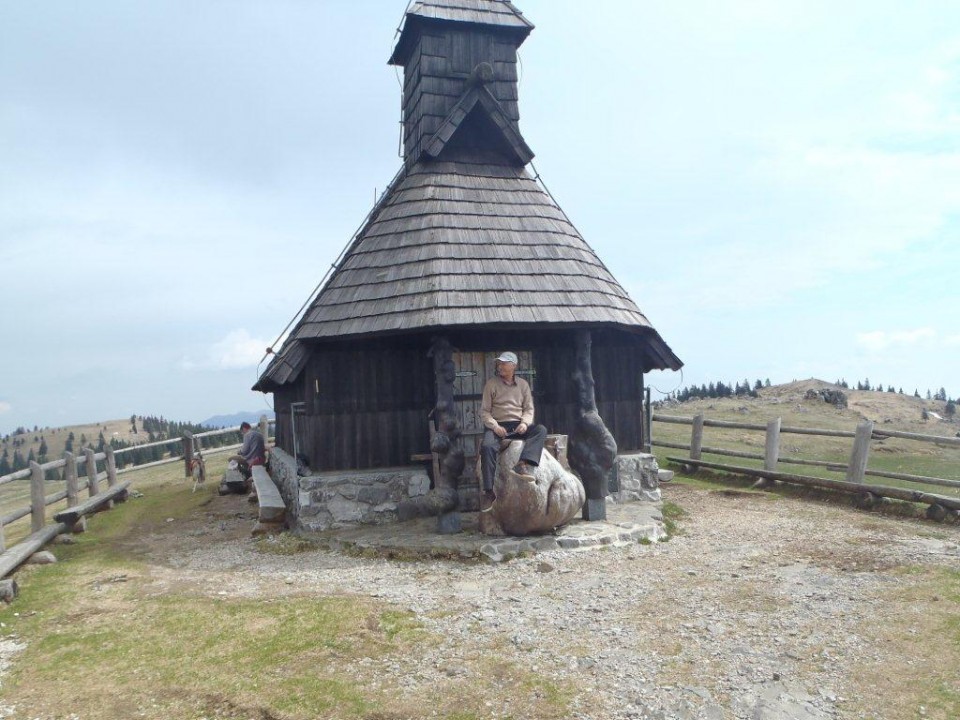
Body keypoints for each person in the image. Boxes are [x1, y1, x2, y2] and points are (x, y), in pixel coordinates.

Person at [479, 351, 548, 503]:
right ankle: (489, 490)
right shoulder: (491, 384)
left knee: (540, 430)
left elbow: (529, 409)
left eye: (504, 363)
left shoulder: (523, 385)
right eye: (499, 363)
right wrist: (495, 426)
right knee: (487, 446)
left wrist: (524, 423)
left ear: (513, 366)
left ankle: (522, 463)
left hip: (518, 425)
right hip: (498, 426)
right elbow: (484, 412)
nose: (500, 366)